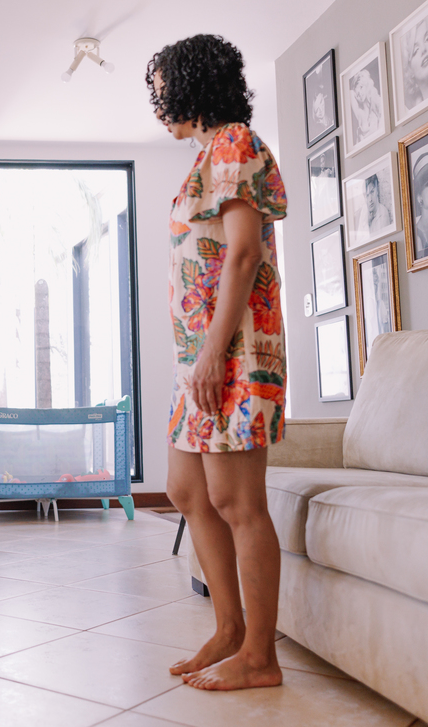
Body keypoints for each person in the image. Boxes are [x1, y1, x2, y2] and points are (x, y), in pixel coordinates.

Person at [145, 34, 287, 691]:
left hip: (235, 353)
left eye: (161, 91)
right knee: (187, 490)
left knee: (236, 500)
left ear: (190, 86)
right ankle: (229, 628)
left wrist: (210, 355)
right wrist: (195, 358)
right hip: (199, 359)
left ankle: (260, 656)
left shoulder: (234, 144)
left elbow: (243, 253)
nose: (157, 105)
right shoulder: (207, 157)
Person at [403, 17, 428, 109]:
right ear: (408, 69)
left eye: (427, 39)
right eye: (415, 50)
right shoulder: (413, 107)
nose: (423, 49)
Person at [349, 68, 383, 142]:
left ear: (367, 85)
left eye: (361, 87)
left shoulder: (377, 101)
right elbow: (350, 93)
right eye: (357, 92)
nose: (360, 93)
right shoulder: (360, 113)